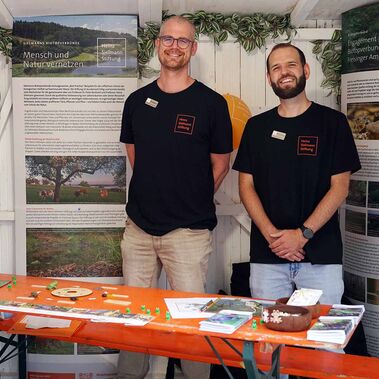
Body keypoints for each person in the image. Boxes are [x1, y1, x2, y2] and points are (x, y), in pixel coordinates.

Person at [118, 15, 233, 379]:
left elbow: (221, 165)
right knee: (134, 319)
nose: (174, 46)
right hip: (138, 230)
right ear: (157, 44)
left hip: (188, 232)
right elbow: (135, 156)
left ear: (193, 48)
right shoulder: (137, 101)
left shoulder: (212, 104)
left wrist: (190, 197)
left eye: (183, 41)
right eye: (168, 38)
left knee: (191, 321)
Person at [233, 43, 361, 305]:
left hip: (320, 257)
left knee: (325, 342)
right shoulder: (256, 127)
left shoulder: (333, 123)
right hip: (267, 257)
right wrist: (273, 237)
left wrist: (302, 235)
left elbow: (340, 188)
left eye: (291, 65)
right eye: (276, 68)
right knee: (269, 343)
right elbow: (246, 186)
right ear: (269, 78)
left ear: (306, 70)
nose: (284, 72)